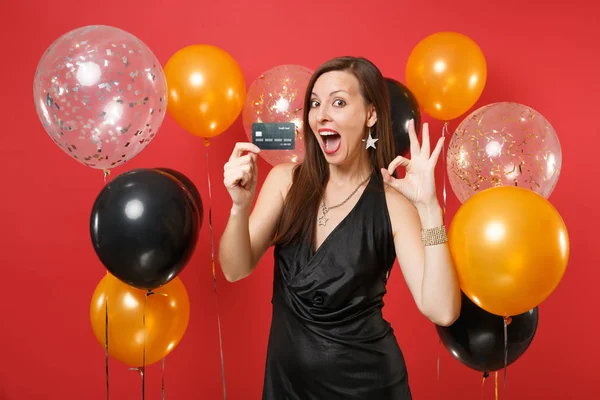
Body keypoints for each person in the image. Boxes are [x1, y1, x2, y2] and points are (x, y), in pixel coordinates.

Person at [219, 56, 461, 399]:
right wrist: (239, 207)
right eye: (315, 104)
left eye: (339, 102)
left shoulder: (392, 203)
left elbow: (442, 310)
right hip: (287, 386)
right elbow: (233, 269)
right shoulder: (286, 182)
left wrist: (430, 210)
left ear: (371, 114)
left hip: (368, 386)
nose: (322, 115)